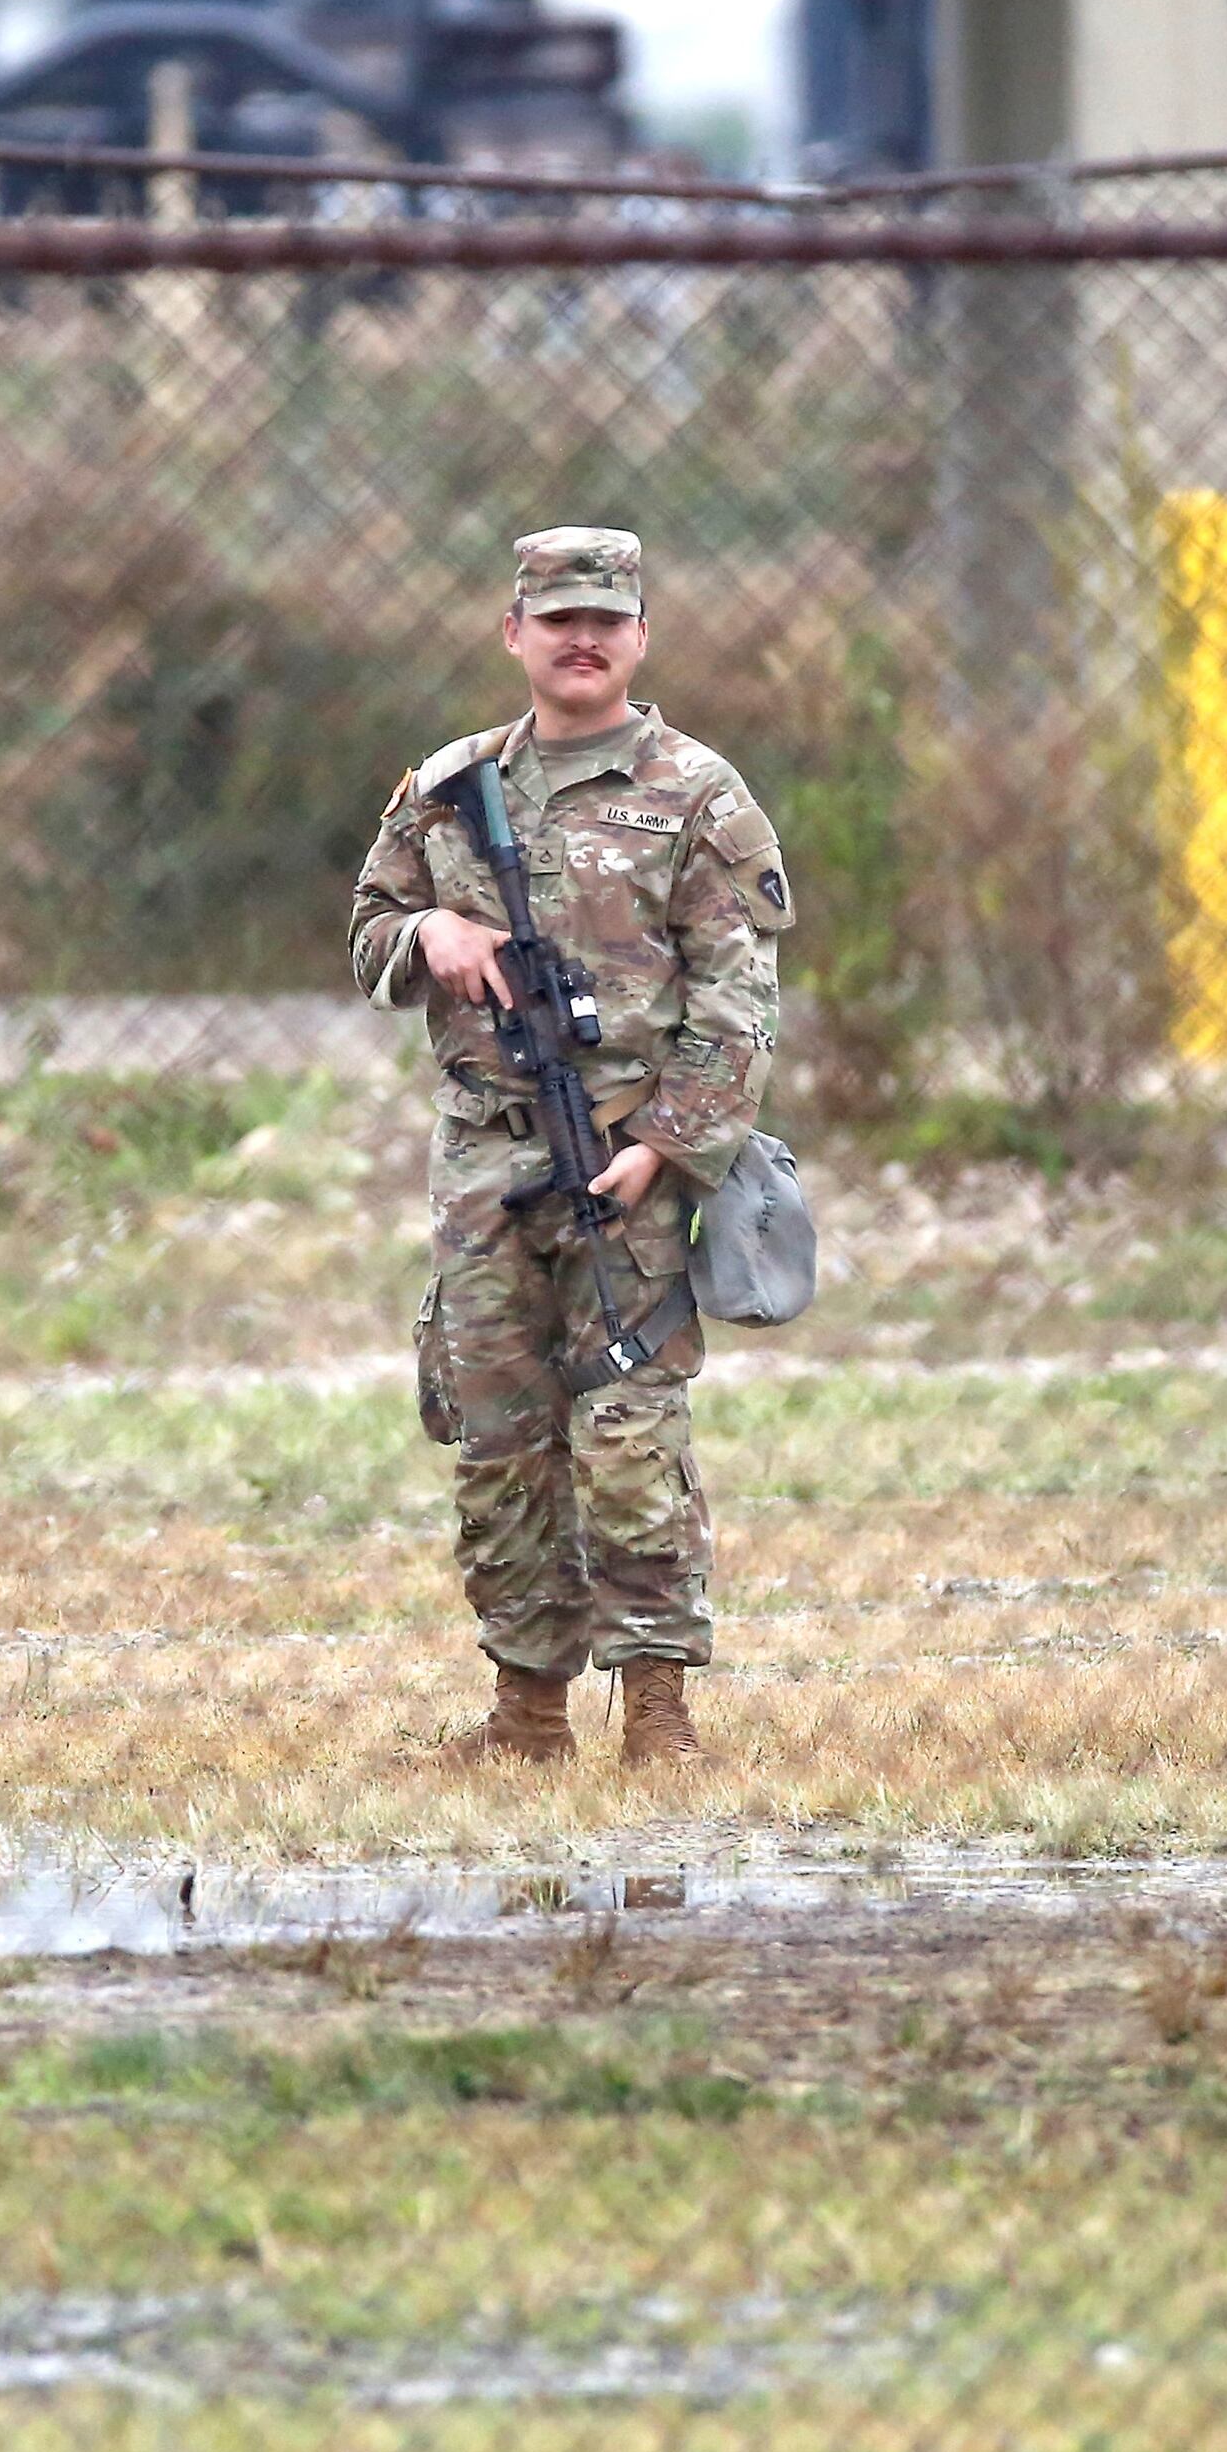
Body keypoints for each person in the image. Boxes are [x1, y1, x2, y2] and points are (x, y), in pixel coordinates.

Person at [347, 526, 793, 1769]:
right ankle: (525, 1717)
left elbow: (738, 997)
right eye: (557, 620)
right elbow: (365, 930)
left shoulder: (698, 794)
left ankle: (657, 1715)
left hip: (625, 1164)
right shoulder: (445, 788)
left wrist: (666, 1143)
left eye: (606, 618)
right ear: (514, 635)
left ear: (641, 635)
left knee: (627, 1435)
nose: (581, 639)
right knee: (496, 1438)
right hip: (485, 1164)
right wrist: (427, 929)